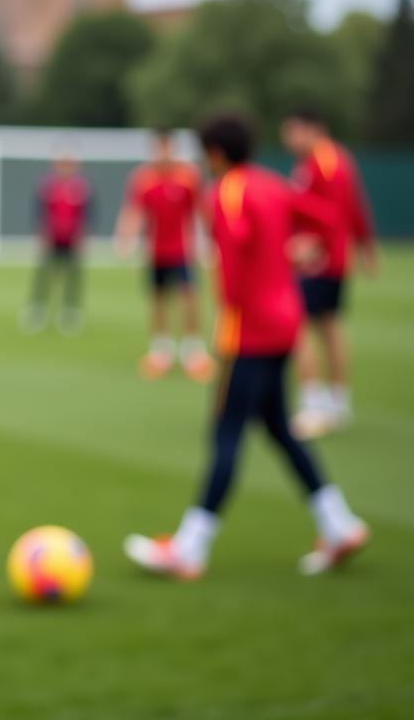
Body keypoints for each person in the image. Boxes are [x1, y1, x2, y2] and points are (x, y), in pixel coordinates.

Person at [124, 113, 368, 580]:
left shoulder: (225, 193)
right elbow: (327, 217)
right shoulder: (273, 183)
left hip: (250, 331)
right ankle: (339, 525)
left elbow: (234, 264)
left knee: (226, 433)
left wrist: (227, 336)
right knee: (278, 427)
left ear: (215, 153)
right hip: (285, 325)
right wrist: (300, 251)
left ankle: (189, 549)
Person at [280, 107, 377, 440]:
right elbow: (354, 206)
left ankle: (314, 405)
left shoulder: (326, 162)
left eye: (293, 131)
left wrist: (312, 246)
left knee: (302, 326)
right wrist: (365, 246)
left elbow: (335, 213)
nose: (288, 139)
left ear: (313, 129)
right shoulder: (324, 160)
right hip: (331, 258)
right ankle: (336, 403)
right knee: (328, 326)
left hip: (319, 261)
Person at [115, 129, 214, 382]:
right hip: (155, 251)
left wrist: (211, 242)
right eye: (158, 148)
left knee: (189, 297)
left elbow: (202, 210)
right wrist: (126, 237)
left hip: (183, 250)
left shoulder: (188, 176)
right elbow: (134, 211)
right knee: (158, 298)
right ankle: (161, 351)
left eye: (166, 147)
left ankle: (193, 351)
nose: (162, 153)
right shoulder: (143, 177)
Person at [20, 155, 92, 334]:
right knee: (44, 276)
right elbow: (39, 211)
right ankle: (38, 309)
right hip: (52, 238)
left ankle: (70, 311)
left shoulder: (81, 187)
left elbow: (88, 214)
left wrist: (83, 237)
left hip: (71, 239)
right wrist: (41, 235)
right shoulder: (48, 186)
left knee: (72, 278)